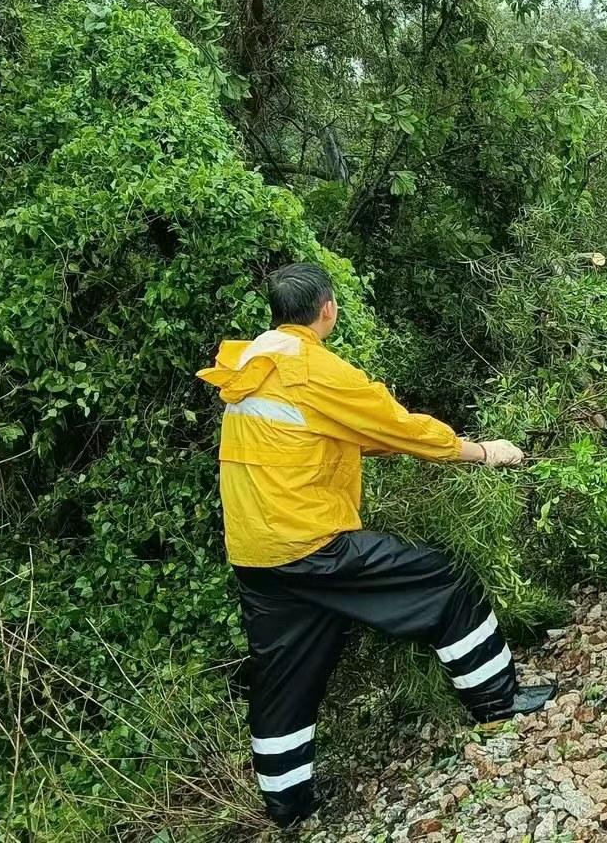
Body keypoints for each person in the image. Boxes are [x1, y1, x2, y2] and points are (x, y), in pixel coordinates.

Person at [197, 263, 555, 828]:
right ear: (327, 309)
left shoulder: (247, 363)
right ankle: (498, 703)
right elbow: (401, 427)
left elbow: (308, 439)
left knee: (284, 676)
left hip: (256, 553)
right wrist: (481, 451)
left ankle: (289, 808)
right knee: (447, 580)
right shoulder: (315, 370)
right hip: (310, 542)